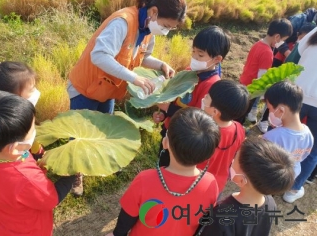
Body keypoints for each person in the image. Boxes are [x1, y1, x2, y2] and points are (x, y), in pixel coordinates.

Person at [67, 0, 187, 195]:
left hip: (108, 89)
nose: (166, 31)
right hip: (86, 87)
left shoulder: (148, 30)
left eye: (170, 29)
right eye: (166, 26)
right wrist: (134, 78)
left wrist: (161, 65)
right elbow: (100, 56)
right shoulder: (122, 22)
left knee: (105, 126)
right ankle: (73, 173)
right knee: (79, 133)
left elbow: (140, 58)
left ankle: (97, 162)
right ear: (154, 11)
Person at [0, 90, 75, 236]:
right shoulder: (27, 179)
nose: (36, 130)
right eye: (33, 129)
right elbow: (52, 199)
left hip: (2, 224)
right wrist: (73, 172)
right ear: (15, 147)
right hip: (31, 230)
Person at [106, 108, 220, 236]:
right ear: (208, 155)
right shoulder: (210, 183)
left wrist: (117, 234)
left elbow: (127, 217)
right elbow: (204, 221)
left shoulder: (145, 179)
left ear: (165, 143)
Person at [153, 26, 231, 167]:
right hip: (170, 130)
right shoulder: (189, 71)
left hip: (185, 141)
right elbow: (176, 97)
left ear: (217, 59)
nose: (194, 58)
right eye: (193, 52)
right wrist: (164, 114)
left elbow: (198, 120)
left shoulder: (211, 85)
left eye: (200, 55)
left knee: (173, 170)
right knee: (163, 165)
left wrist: (169, 108)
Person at [198, 137, 295, 236]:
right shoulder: (270, 204)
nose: (232, 160)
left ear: (241, 180)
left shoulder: (222, 213)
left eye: (235, 158)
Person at [0, 59, 44, 159]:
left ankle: (38, 153)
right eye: (31, 89)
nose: (36, 92)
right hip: (22, 152)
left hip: (29, 144)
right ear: (13, 98)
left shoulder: (21, 108)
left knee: (36, 149)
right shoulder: (7, 126)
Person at [283, 26, 317, 202]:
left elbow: (294, 57)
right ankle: (293, 190)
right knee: (313, 151)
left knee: (285, 139)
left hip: (298, 95)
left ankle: (271, 178)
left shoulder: (314, 32)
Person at [197, 79, 249, 193]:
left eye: (207, 97)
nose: (204, 97)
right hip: (218, 183)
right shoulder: (239, 128)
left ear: (215, 112)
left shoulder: (203, 133)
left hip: (197, 181)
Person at [238, 18, 293, 127]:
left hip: (244, 81)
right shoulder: (267, 52)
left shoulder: (258, 44)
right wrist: (264, 95)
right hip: (252, 89)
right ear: (277, 37)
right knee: (243, 112)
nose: (281, 44)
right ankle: (237, 128)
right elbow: (262, 77)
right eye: (283, 40)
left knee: (239, 108)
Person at [263, 81, 313, 183]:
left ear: (281, 110)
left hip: (267, 178)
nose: (270, 113)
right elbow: (303, 156)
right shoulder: (308, 134)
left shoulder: (272, 137)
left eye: (270, 109)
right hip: (289, 177)